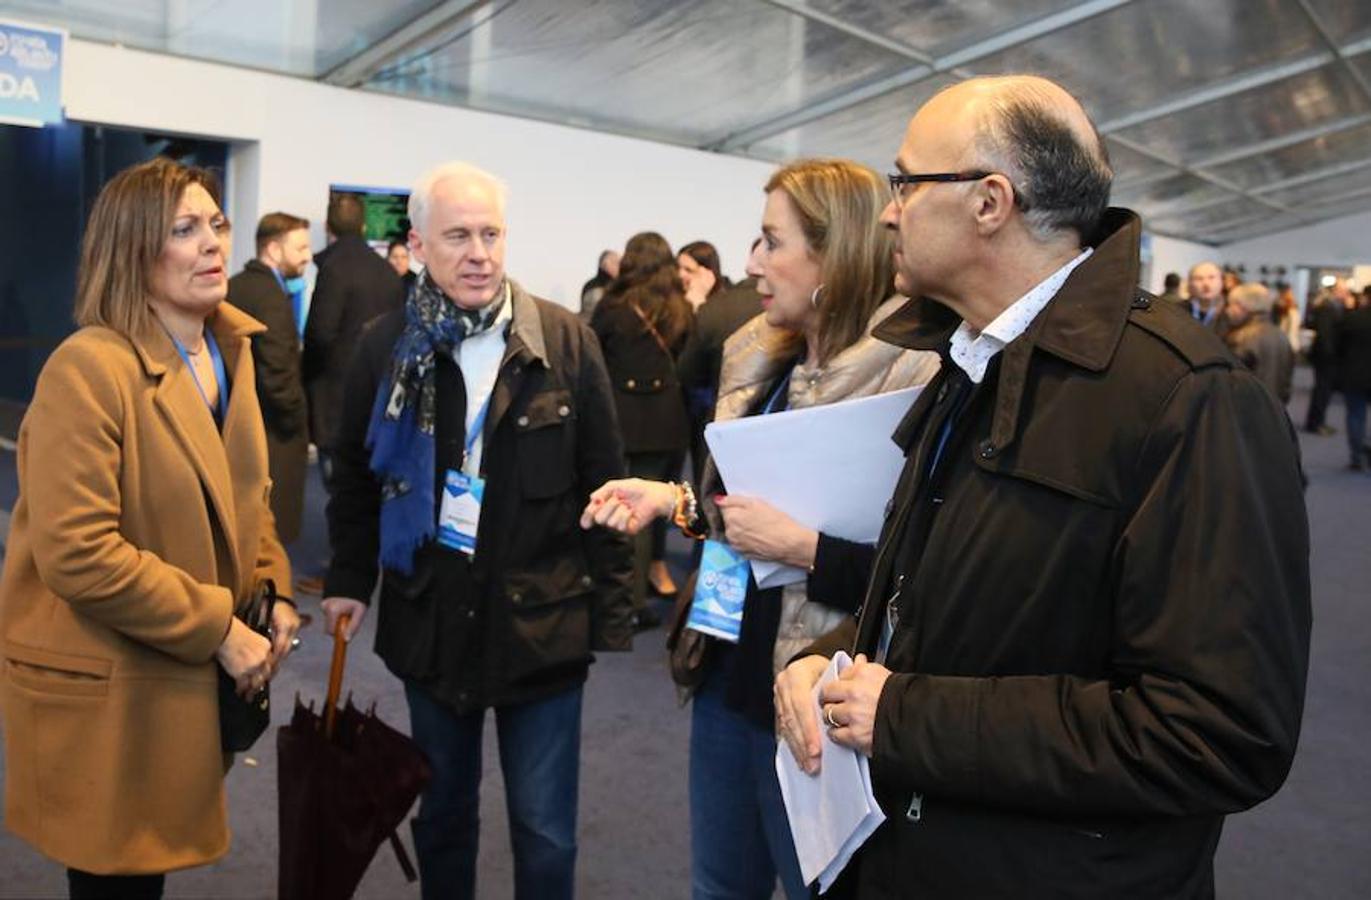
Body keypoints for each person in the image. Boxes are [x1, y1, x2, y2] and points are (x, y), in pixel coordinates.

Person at [772, 75, 1310, 898]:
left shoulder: (1188, 400)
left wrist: (908, 718)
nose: (887, 211)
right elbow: (947, 598)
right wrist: (828, 660)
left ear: (989, 202)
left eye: (906, 183)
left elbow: (1218, 734)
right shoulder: (971, 360)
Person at [581, 158, 940, 900]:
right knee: (718, 884)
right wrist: (675, 502)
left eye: (771, 242)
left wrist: (802, 550)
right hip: (724, 668)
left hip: (812, 691)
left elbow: (924, 574)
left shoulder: (910, 381)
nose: (751, 262)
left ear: (832, 257)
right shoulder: (760, 355)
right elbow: (745, 509)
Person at [318, 161, 632, 900]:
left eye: (490, 234)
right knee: (445, 819)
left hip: (542, 629)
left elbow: (607, 484)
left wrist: (610, 615)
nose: (479, 252)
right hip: (432, 621)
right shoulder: (384, 346)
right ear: (419, 245)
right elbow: (357, 481)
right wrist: (346, 581)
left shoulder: (565, 341)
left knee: (546, 835)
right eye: (457, 235)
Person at [0, 158, 300, 899]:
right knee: (116, 883)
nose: (212, 244)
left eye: (216, 225)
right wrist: (220, 631)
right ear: (135, 250)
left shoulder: (228, 351)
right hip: (111, 684)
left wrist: (274, 591)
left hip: (179, 673)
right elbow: (79, 555)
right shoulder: (89, 369)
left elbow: (247, 498)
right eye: (184, 229)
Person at [590, 232, 694, 616]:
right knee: (652, 514)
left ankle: (623, 602)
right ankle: (639, 593)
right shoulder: (680, 307)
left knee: (622, 509)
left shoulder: (612, 306)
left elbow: (594, 361)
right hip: (669, 422)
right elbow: (688, 364)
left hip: (622, 421)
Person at [303, 193, 406, 488]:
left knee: (337, 487)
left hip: (335, 394)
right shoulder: (388, 272)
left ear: (328, 227)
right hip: (378, 392)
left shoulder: (333, 269)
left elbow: (320, 333)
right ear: (363, 227)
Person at [227, 212, 313, 543]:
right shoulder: (273, 300)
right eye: (301, 247)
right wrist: (297, 420)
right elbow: (278, 374)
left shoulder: (236, 285)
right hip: (273, 433)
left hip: (241, 424)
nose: (308, 255)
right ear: (274, 250)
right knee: (268, 534)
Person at [677, 240, 766, 483]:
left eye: (688, 269)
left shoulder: (712, 310)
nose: (680, 276)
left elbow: (686, 373)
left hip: (720, 425)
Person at [1224, 282, 1294, 404]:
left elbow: (1230, 380)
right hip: (1275, 408)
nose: (1228, 310)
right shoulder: (1280, 334)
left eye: (1231, 305)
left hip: (1246, 405)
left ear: (1243, 306)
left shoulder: (1241, 337)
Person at [1305, 278, 1352, 435]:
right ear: (1337, 291)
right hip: (1325, 358)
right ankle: (1315, 424)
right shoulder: (1328, 307)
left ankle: (1319, 422)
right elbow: (1325, 335)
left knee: (1324, 392)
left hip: (1328, 357)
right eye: (1345, 291)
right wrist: (1330, 356)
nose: (1347, 294)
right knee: (1322, 391)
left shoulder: (1335, 306)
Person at [1336, 287, 1371, 469]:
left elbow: (1339, 347)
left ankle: (1357, 457)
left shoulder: (1353, 318)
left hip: (1355, 374)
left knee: (1356, 416)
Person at [678, 240, 729, 312]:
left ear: (708, 274)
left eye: (688, 270)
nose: (680, 274)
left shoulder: (723, 307)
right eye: (677, 267)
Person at [1185, 261, 1227, 333]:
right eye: (1199, 278)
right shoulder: (1177, 310)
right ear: (1190, 284)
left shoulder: (1231, 313)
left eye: (1211, 277)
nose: (1206, 284)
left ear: (1221, 281)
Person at [579, 249, 620, 321]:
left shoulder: (590, 284)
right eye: (615, 263)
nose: (619, 267)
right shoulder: (594, 288)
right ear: (604, 265)